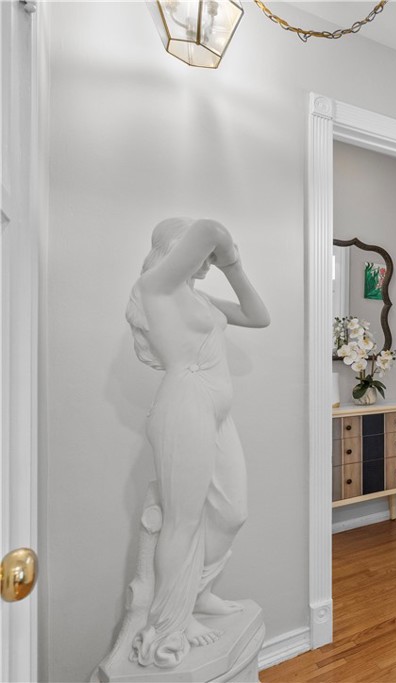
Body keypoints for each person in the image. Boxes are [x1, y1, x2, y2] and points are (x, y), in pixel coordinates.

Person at [124, 217, 270, 668]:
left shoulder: (197, 296)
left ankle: (199, 592)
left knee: (232, 512)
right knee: (183, 522)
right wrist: (219, 248)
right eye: (201, 255)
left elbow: (259, 316)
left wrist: (234, 266)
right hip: (184, 406)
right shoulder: (156, 287)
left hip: (217, 413)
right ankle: (172, 621)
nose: (207, 262)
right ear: (178, 248)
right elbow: (209, 228)